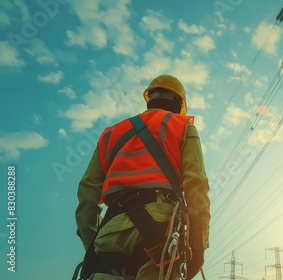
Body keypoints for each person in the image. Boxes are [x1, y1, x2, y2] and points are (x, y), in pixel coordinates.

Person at [75, 75, 210, 280]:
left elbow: (87, 190)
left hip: (112, 227)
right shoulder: (182, 126)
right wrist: (198, 246)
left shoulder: (112, 133)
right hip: (161, 226)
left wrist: (92, 243)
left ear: (149, 98)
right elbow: (196, 185)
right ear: (179, 103)